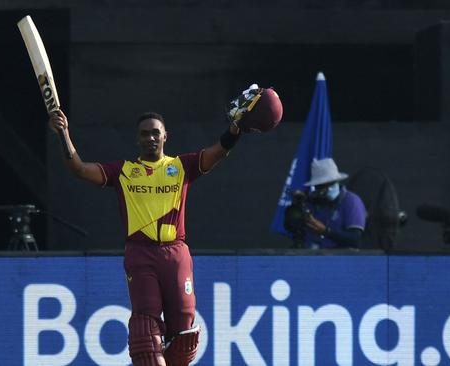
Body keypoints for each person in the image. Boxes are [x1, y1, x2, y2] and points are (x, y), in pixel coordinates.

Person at [49, 85, 282, 365]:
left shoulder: (181, 167)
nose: (150, 138)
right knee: (145, 333)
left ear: (165, 137)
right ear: (137, 140)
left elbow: (218, 152)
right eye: (144, 134)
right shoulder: (123, 172)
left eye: (155, 133)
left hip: (175, 254)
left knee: (184, 334)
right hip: (140, 254)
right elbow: (78, 168)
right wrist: (63, 134)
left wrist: (234, 131)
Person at [303, 158, 366, 249]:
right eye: (319, 186)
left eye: (328, 184)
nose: (324, 190)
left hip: (341, 259)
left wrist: (325, 231)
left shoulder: (351, 201)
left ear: (336, 182)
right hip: (313, 257)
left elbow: (355, 239)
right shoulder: (312, 202)